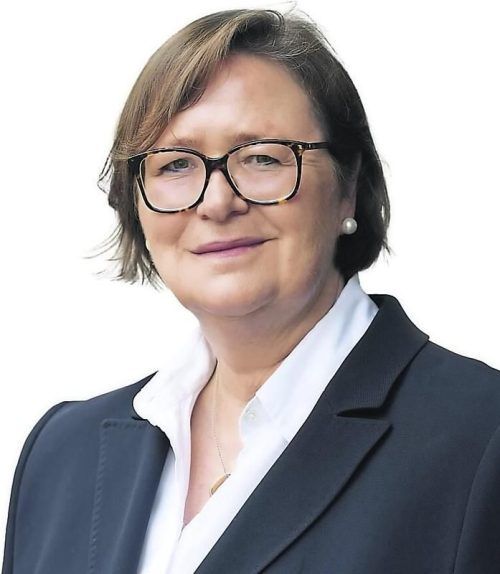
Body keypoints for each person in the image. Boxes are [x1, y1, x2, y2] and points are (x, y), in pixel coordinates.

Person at [2, 7, 500, 574]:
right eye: (174, 166)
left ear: (348, 186)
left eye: (262, 157)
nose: (217, 202)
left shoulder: (480, 438)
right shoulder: (62, 454)